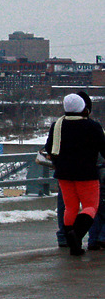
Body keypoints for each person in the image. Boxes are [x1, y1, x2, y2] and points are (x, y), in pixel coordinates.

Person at [45, 93, 105, 256]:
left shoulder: (57, 125)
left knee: (70, 207)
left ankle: (74, 244)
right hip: (86, 174)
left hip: (64, 174)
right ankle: (76, 235)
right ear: (83, 109)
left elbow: (49, 148)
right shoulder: (92, 127)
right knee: (91, 207)